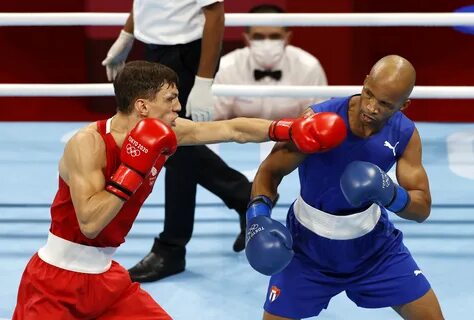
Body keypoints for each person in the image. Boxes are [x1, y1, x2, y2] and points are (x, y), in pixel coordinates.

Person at [12, 60, 343, 319]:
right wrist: (132, 169)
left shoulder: (168, 133)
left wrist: (287, 129)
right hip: (54, 284)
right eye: (170, 99)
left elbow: (231, 129)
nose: (178, 107)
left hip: (105, 280)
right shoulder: (88, 144)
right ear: (142, 106)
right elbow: (90, 222)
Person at [245, 55, 445, 319]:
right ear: (364, 83)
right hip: (307, 251)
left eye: (385, 104)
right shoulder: (320, 119)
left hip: (375, 250)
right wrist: (257, 218)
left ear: (403, 105)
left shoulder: (404, 134)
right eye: (369, 94)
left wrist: (390, 192)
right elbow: (270, 171)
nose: (371, 108)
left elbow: (422, 208)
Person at [102, 0, 253, 283]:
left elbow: (215, 13)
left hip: (186, 52)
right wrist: (126, 36)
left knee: (173, 146)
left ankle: (172, 247)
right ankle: (246, 197)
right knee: (174, 147)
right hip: (155, 47)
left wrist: (204, 81)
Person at [214, 4, 328, 121]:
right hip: (239, 138)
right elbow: (213, 120)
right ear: (246, 39)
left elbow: (318, 120)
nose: (267, 44)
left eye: (275, 37)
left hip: (293, 137)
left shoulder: (308, 67)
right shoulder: (226, 67)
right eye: (258, 37)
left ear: (287, 38)